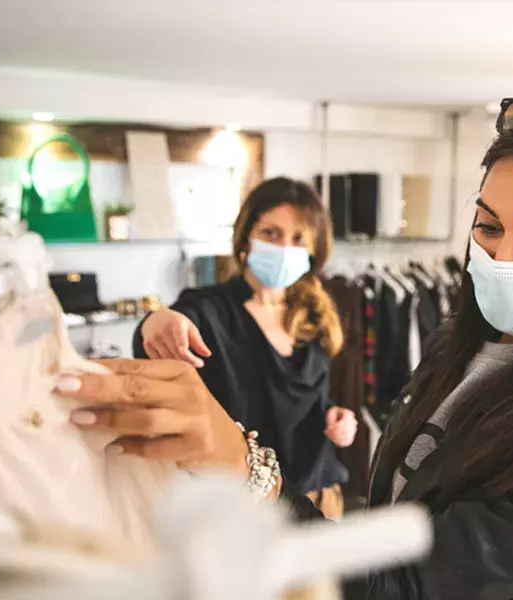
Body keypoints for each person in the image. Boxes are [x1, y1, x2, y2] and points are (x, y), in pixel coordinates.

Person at [59, 99, 513, 599]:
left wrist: (247, 467)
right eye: (487, 227)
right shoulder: (456, 343)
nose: (502, 259)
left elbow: (402, 586)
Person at [130, 177, 358, 497]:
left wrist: (336, 415)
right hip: (246, 503)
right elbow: (161, 334)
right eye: (271, 233)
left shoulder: (314, 315)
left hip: (317, 493)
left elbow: (312, 401)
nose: (283, 248)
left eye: (298, 238)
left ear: (313, 250)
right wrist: (156, 321)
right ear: (246, 237)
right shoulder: (210, 310)